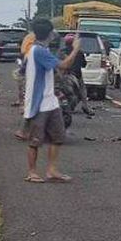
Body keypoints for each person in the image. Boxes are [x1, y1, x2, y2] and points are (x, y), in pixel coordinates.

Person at [23, 19, 82, 184]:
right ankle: (32, 172)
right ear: (49, 34)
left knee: (58, 136)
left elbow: (54, 70)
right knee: (35, 141)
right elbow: (64, 65)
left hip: (51, 101)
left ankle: (52, 170)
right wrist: (75, 48)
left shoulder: (41, 50)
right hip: (39, 103)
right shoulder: (38, 51)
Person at [61, 33, 93, 116]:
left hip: (63, 75)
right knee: (83, 90)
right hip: (76, 75)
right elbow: (84, 64)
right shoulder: (79, 52)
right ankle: (85, 105)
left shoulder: (62, 52)